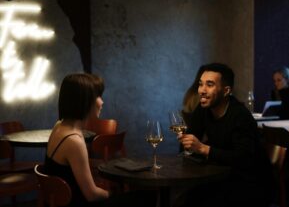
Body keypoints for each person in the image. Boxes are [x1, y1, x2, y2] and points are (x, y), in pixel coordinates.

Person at [43, 73, 156, 207]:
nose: (101, 102)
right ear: (84, 100)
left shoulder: (59, 126)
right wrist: (111, 195)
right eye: (98, 96)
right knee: (148, 196)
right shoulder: (74, 141)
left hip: (64, 201)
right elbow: (91, 195)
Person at [178, 63, 275, 207]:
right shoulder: (204, 108)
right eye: (200, 84)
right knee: (184, 199)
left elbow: (244, 159)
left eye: (209, 84)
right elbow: (189, 142)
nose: (202, 91)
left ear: (226, 91)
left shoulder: (240, 115)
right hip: (224, 175)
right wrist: (187, 142)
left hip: (251, 182)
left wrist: (203, 149)